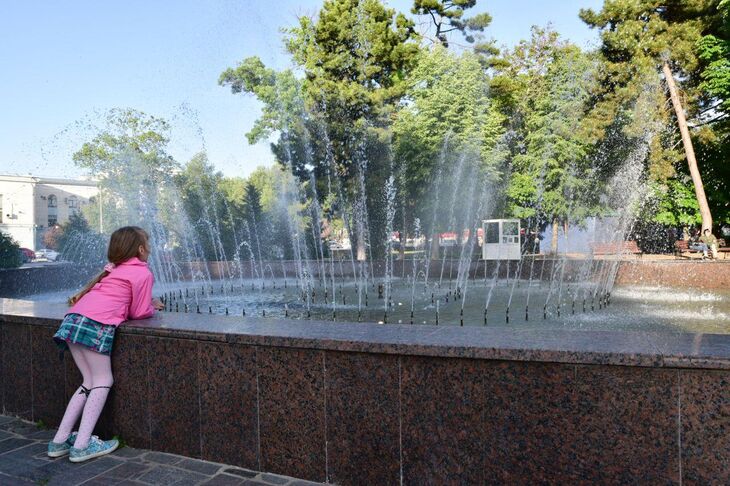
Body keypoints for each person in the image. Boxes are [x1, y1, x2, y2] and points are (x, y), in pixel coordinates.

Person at [47, 226, 164, 462]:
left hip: (73, 321)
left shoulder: (115, 270)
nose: (150, 249)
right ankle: (82, 445)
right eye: (148, 245)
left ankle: (59, 440)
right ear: (140, 249)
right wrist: (153, 307)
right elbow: (139, 312)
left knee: (88, 382)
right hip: (94, 324)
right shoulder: (142, 273)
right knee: (103, 380)